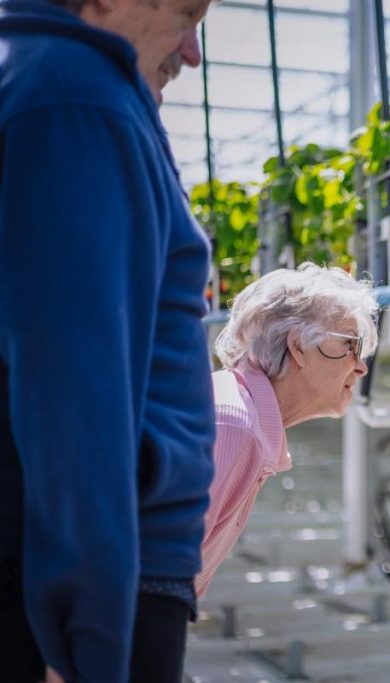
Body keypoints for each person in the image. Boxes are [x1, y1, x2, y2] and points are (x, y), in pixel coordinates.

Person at [0, 0, 214, 680]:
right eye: (187, 14)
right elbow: (72, 399)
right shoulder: (72, 96)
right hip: (95, 602)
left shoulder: (55, 83)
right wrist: (88, 642)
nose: (192, 53)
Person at [197, 264, 379, 596]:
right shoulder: (235, 425)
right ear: (297, 347)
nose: (361, 365)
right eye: (350, 345)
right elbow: (157, 568)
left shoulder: (240, 414)